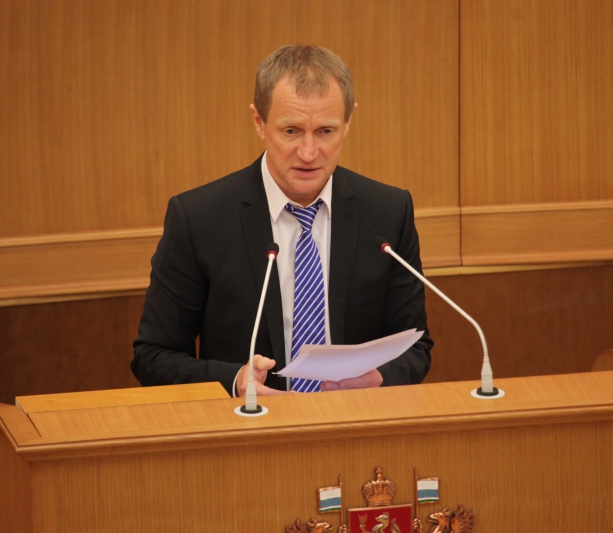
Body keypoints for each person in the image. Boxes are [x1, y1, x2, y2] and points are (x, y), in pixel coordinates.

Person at [132, 45, 432, 396]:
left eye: (326, 131)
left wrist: (378, 377)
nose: (308, 153)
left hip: (355, 419)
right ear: (259, 122)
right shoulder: (199, 218)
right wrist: (234, 380)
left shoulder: (388, 212)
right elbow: (153, 356)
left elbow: (415, 346)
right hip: (248, 422)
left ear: (348, 122)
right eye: (291, 131)